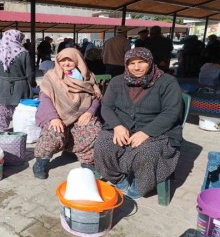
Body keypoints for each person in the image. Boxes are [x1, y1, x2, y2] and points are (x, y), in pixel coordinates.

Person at [94, 47, 183, 200]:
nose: (136, 67)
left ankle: (140, 184)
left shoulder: (167, 82)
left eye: (141, 62)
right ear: (126, 65)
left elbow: (171, 112)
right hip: (121, 127)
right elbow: (107, 107)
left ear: (150, 62)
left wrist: (146, 132)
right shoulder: (117, 81)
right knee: (102, 146)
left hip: (158, 130)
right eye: (131, 63)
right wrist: (117, 126)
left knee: (147, 153)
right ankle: (118, 179)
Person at [33, 48, 103, 179]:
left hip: (81, 114)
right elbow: (45, 98)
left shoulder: (88, 76)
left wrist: (89, 112)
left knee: (94, 129)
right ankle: (41, 161)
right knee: (53, 132)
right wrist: (53, 118)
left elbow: (96, 97)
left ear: (77, 60)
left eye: (69, 60)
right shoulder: (51, 76)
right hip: (57, 115)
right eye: (62, 60)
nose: (66, 63)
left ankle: (87, 160)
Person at [0, 29, 36, 132]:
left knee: (2, 113)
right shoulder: (24, 53)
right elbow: (30, 73)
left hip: (2, 87)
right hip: (21, 88)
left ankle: (2, 135)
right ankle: (20, 136)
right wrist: (32, 84)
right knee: (21, 114)